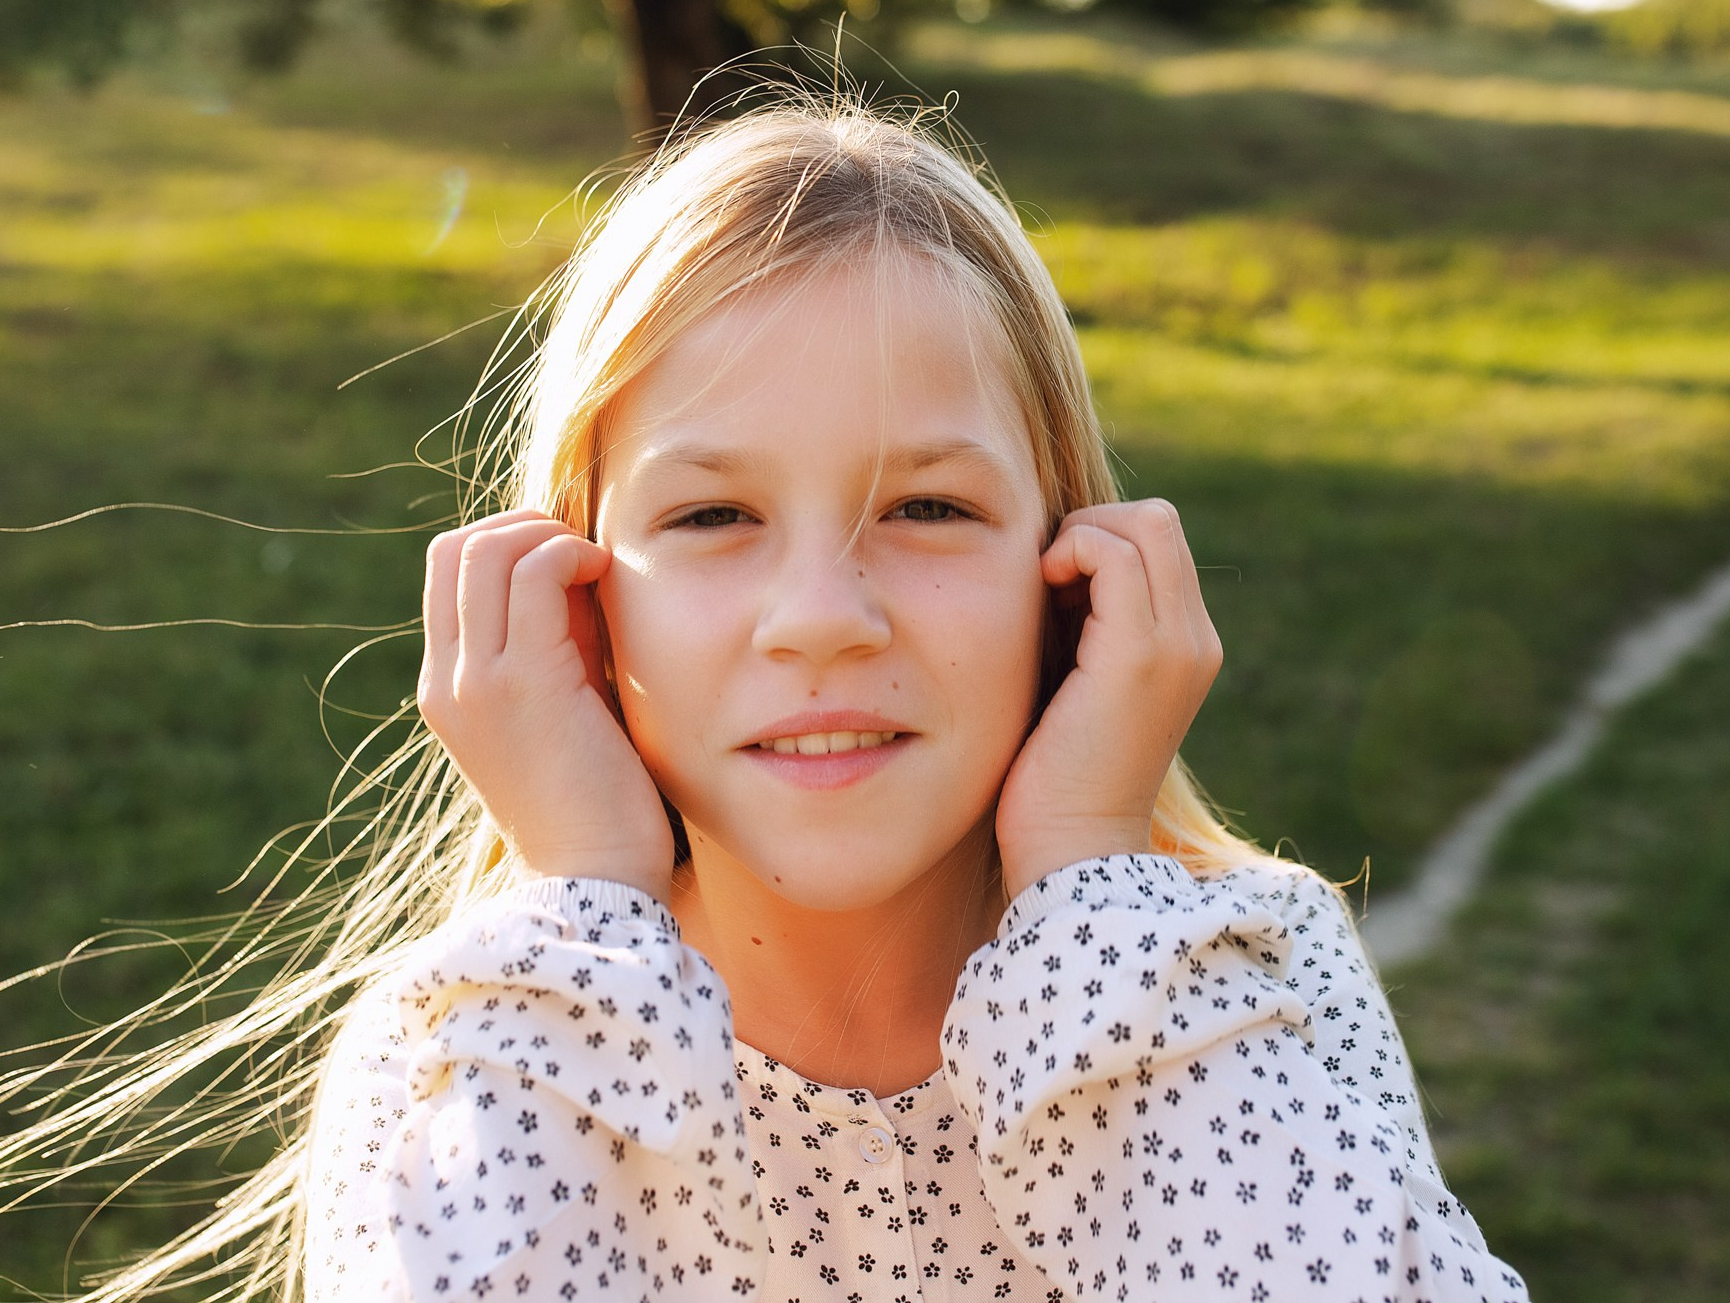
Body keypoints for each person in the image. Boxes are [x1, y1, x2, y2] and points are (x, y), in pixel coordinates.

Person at [299, 99, 1528, 1302]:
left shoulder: (1242, 984)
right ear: (576, 596)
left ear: (1067, 565)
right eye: (713, 514)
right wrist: (584, 906)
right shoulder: (475, 1046)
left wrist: (1087, 872)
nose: (821, 615)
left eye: (927, 506)